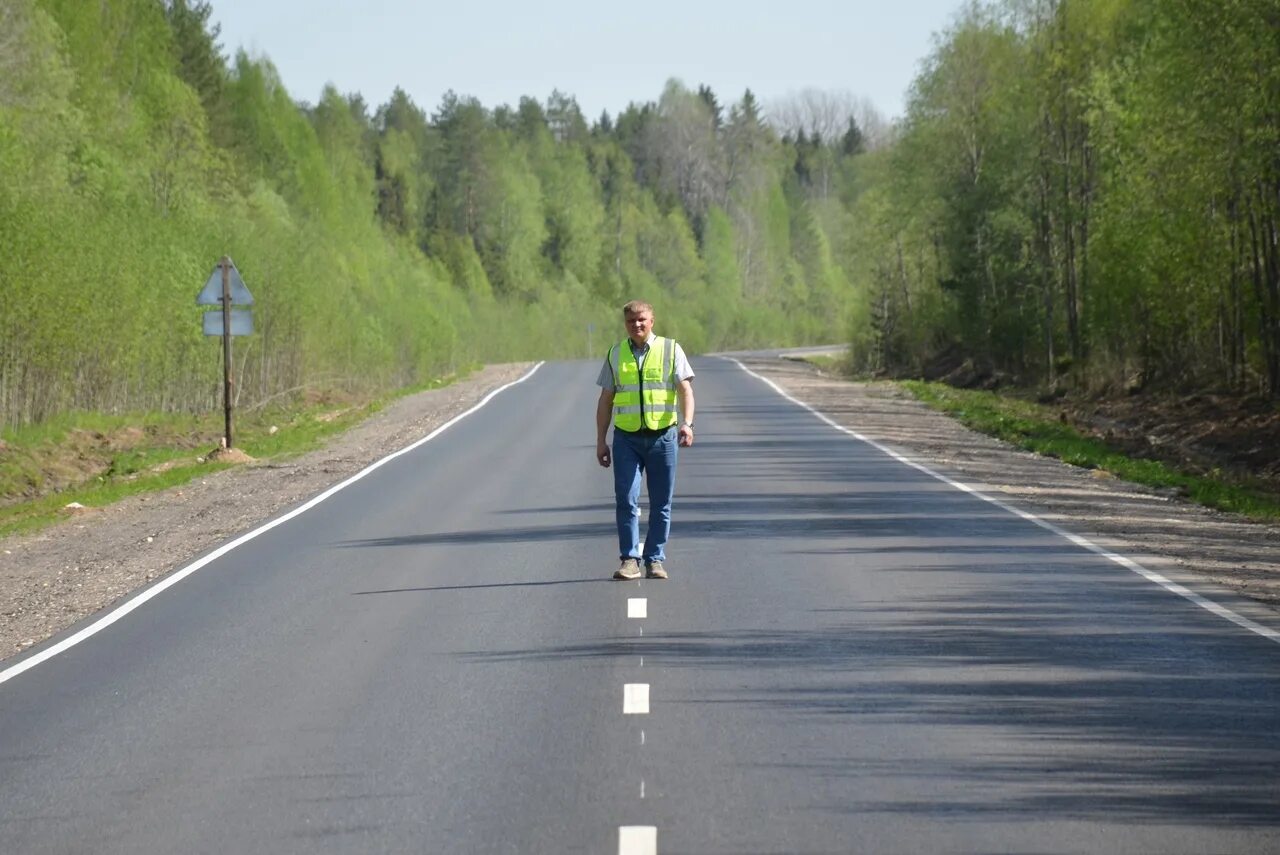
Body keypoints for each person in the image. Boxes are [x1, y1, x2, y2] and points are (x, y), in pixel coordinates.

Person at [596, 300, 695, 580]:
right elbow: (605, 400)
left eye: (642, 320)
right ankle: (629, 559)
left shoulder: (670, 349)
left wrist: (687, 424)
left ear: (652, 320)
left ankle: (654, 559)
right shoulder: (616, 353)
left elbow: (685, 390)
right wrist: (601, 441)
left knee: (661, 502)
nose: (636, 325)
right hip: (627, 439)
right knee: (626, 499)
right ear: (625, 324)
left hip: (663, 436)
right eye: (631, 321)